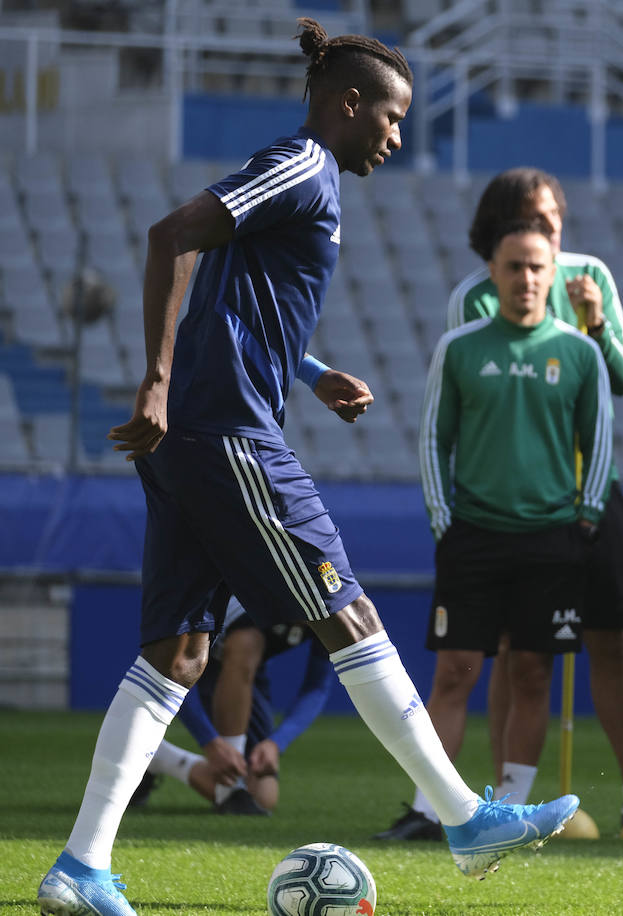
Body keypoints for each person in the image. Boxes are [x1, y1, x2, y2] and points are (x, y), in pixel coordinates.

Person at [37, 20, 576, 916]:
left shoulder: (305, 179)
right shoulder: (302, 165)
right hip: (228, 438)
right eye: (392, 118)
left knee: (177, 653)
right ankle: (461, 816)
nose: (398, 137)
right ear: (349, 105)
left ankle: (81, 868)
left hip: (196, 444)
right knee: (348, 609)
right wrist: (158, 381)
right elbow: (171, 235)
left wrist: (314, 372)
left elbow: (236, 309)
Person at [376, 167, 623, 840]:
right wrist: (447, 521)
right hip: (488, 515)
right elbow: (459, 412)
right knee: (484, 658)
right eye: (531, 225)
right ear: (499, 245)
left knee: (603, 640)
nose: (543, 243)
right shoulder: (470, 308)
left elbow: (621, 378)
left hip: (579, 504)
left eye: (553, 223)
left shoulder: (591, 278)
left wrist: (592, 323)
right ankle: (447, 806)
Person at [400, 217, 610, 843]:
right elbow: (433, 438)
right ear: (493, 272)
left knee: (531, 673)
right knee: (455, 670)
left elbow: (598, 442)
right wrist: (443, 519)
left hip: (551, 537)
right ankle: (426, 808)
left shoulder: (580, 352)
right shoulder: (460, 347)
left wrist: (587, 516)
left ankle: (513, 810)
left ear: (554, 273)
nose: (526, 277)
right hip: (473, 533)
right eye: (514, 266)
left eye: (537, 266)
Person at [129, 596, 333, 816]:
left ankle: (159, 757)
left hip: (248, 675)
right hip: (202, 661)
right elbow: (172, 677)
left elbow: (317, 687)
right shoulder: (255, 595)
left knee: (263, 798)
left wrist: (276, 743)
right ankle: (232, 784)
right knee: (246, 641)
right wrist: (212, 744)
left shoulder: (327, 608)